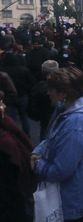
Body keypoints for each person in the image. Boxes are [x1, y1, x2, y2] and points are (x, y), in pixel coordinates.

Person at [31, 67, 83, 221]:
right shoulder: (79, 107)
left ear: (63, 92)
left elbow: (62, 170)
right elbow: (52, 136)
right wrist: (38, 151)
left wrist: (37, 164)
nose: (48, 92)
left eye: (51, 89)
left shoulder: (75, 122)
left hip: (76, 197)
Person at [0, 93, 37, 222]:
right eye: (0, 103)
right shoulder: (5, 143)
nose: (4, 105)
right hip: (11, 200)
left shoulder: (5, 123)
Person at [26, 60, 59, 141]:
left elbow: (31, 110)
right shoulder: (66, 84)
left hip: (46, 122)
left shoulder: (38, 87)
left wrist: (40, 116)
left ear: (42, 72)